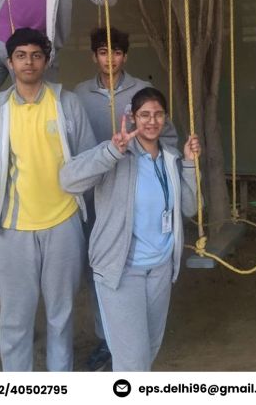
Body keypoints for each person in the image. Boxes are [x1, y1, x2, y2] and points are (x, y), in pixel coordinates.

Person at [60, 87, 199, 371]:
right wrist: (111, 152)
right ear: (133, 118)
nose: (152, 121)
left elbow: (189, 208)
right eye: (144, 114)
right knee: (132, 361)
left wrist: (188, 164)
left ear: (165, 118)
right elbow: (68, 181)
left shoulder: (170, 158)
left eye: (158, 114)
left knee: (149, 349)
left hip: (160, 268)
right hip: (122, 270)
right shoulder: (116, 153)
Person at [0, 28, 96, 371]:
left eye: (35, 56)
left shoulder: (66, 103)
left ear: (46, 62)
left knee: (61, 313)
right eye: (21, 56)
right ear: (9, 63)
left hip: (64, 224)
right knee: (16, 316)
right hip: (15, 228)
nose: (28, 62)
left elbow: (87, 159)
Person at [74, 26, 178, 370]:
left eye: (117, 52)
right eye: (104, 52)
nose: (110, 59)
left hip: (136, 185)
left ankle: (126, 345)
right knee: (104, 265)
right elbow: (72, 151)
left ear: (125, 56)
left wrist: (161, 161)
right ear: (94, 56)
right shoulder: (80, 94)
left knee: (127, 262)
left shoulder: (142, 92)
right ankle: (108, 338)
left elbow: (168, 139)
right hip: (97, 185)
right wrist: (108, 154)